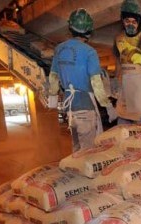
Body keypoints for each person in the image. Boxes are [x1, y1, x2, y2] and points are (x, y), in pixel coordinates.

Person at [48, 8, 118, 152]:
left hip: (70, 110)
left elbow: (53, 76)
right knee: (88, 153)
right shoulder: (89, 52)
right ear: (89, 31)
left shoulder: (59, 49)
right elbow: (96, 84)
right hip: (85, 107)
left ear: (70, 28)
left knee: (77, 149)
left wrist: (52, 98)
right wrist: (108, 106)